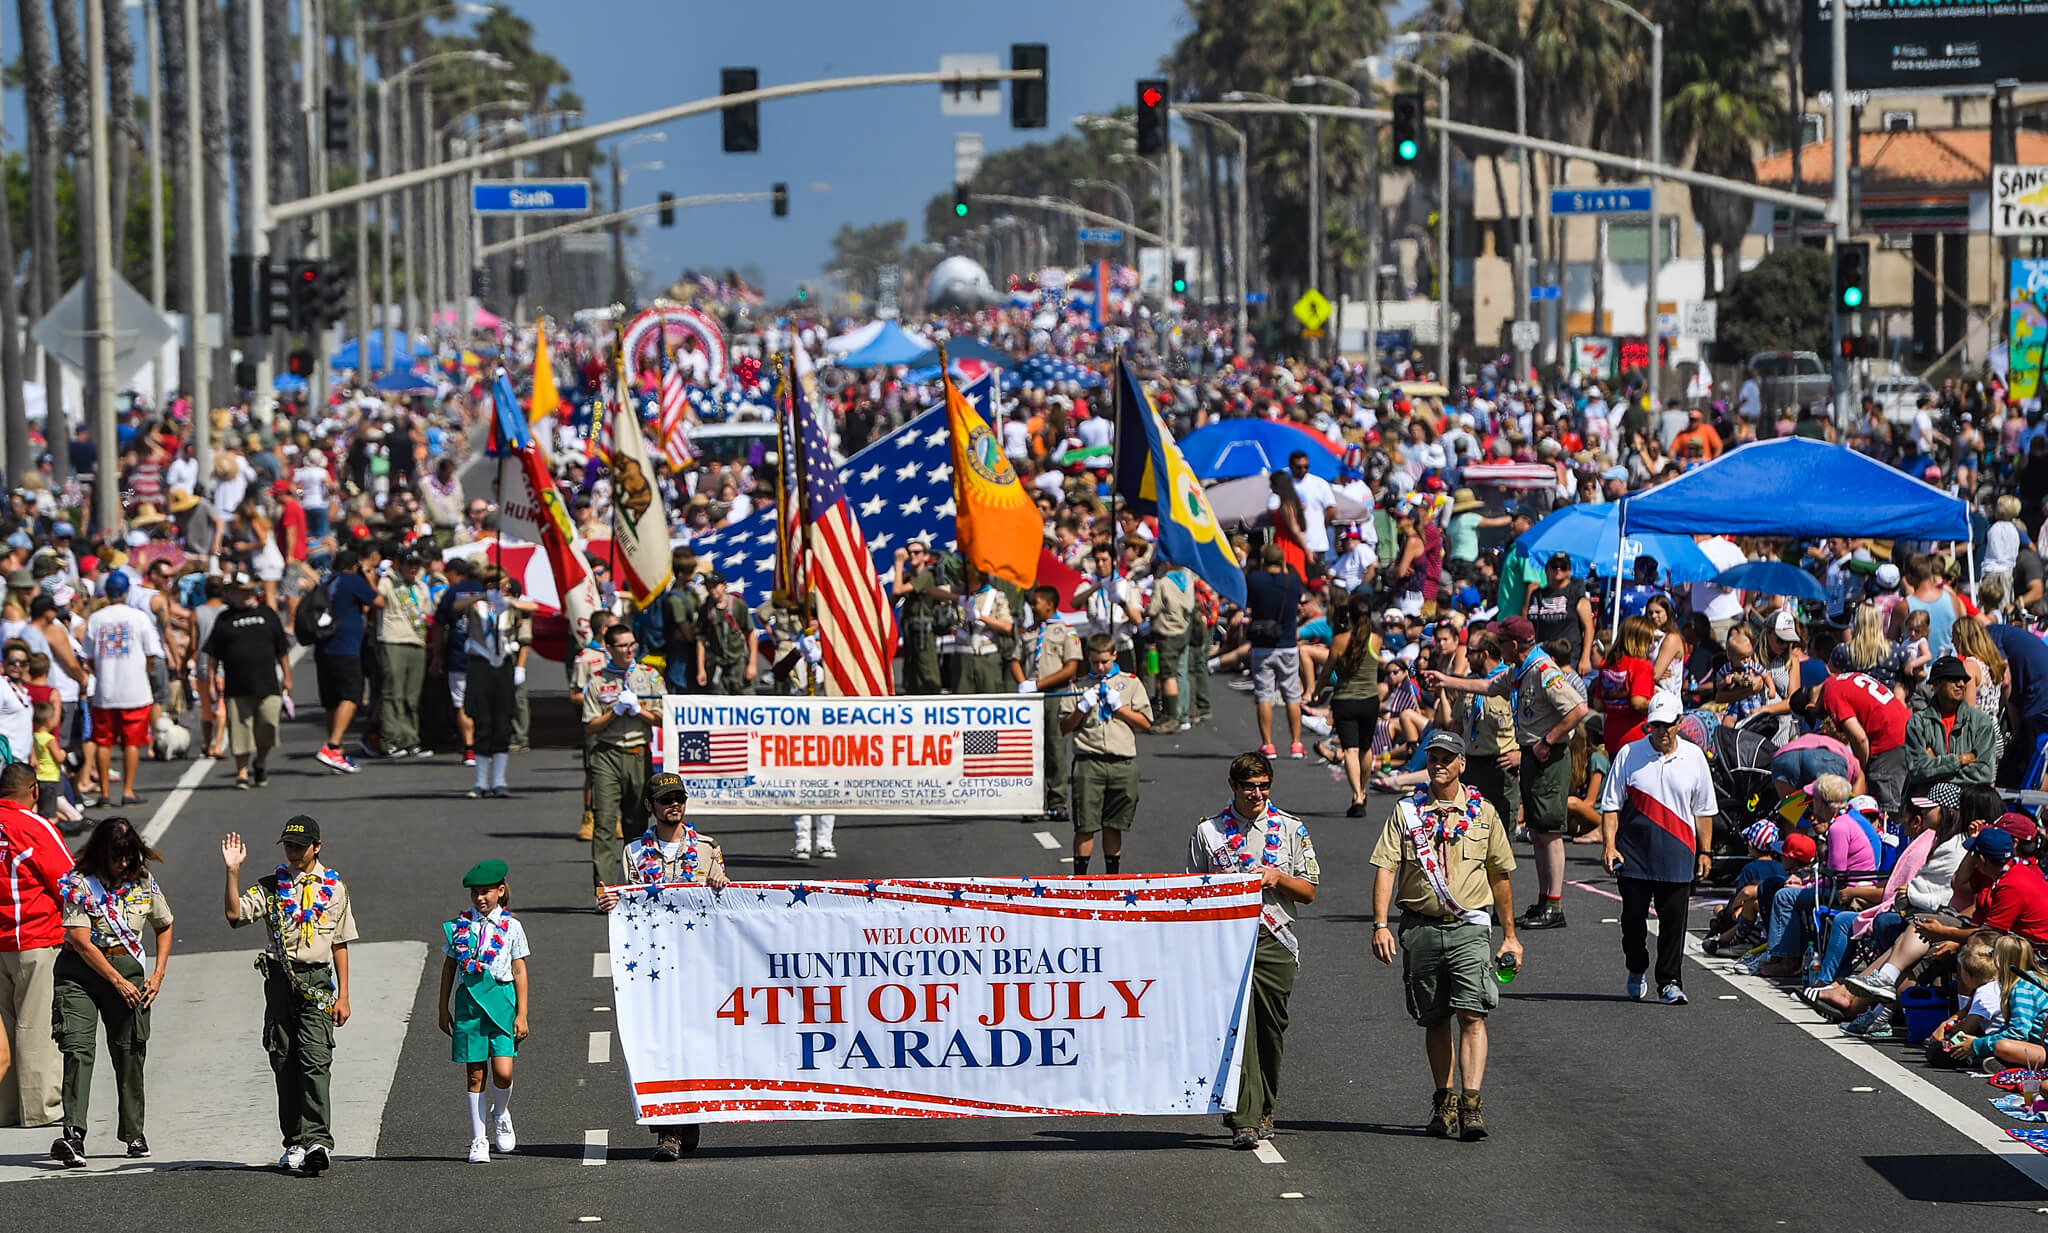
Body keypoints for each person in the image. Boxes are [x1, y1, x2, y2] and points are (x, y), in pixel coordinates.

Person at [1369, 730, 1523, 1141]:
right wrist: (1380, 924)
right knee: (1434, 1017)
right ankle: (1445, 1099)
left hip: (1469, 927)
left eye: (1446, 757)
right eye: (1433, 757)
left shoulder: (1484, 813)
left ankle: (1472, 1104)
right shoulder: (1406, 813)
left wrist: (1510, 936)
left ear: (1461, 764)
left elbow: (1500, 876)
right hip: (1420, 926)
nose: (1438, 763)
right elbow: (1386, 867)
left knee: (1472, 1013)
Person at [1187, 751, 1318, 1148]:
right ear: (1233, 787)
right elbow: (1193, 889)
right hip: (1227, 939)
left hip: (1274, 939)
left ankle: (1264, 1106)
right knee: (1236, 1027)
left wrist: (1277, 877)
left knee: (1270, 1027)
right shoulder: (1209, 832)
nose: (1257, 794)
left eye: (1263, 786)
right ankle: (1243, 1116)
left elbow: (1309, 890)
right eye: (1249, 787)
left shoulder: (1291, 829)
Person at [595, 772, 728, 1161]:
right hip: (653, 965)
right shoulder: (634, 852)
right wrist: (612, 903)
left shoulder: (706, 849)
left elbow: (725, 904)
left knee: (691, 1042)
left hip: (697, 965)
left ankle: (687, 1119)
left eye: (679, 799)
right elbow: (630, 904)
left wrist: (721, 879)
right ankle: (667, 1131)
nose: (675, 805)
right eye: (666, 799)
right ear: (650, 806)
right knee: (659, 1044)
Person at [1425, 616, 1588, 929]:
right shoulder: (1520, 671)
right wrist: (1446, 681)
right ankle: (1544, 901)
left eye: (1501, 642)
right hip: (1532, 752)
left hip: (1547, 754)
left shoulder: (1543, 669)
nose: (1497, 648)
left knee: (1549, 831)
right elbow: (1487, 686)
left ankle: (1554, 905)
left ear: (1514, 645)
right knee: (1538, 831)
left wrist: (1548, 740)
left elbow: (1578, 709)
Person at [222, 816, 357, 1175]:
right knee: (284, 1061)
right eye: (289, 846)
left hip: (316, 980)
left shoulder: (335, 887)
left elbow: (341, 942)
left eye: (300, 846)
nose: (294, 852)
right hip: (281, 980)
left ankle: (318, 1142)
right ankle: (294, 1140)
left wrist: (344, 996)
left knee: (315, 1060)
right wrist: (232, 872)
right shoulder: (270, 887)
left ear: (317, 847)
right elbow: (235, 916)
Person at [48, 814, 174, 1165]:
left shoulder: (142, 881)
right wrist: (116, 982)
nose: (123, 863)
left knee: (129, 1051)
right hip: (81, 975)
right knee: (76, 1048)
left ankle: (133, 1132)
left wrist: (158, 974)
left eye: (128, 856)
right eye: (116, 856)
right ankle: (73, 1134)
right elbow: (80, 941)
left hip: (128, 970)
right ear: (102, 853)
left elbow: (164, 925)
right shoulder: (79, 884)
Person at [1599, 694, 1716, 1005]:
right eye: (1655, 725)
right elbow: (1611, 806)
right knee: (1633, 919)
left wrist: (1705, 852)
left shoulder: (1694, 758)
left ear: (1679, 724)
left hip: (1678, 854)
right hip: (1634, 854)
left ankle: (1669, 982)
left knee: (1673, 923)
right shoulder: (1629, 754)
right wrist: (1609, 845)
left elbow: (1704, 810)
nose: (1661, 731)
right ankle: (1636, 967)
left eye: (1667, 725)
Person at [437, 859, 530, 1164]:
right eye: (475, 892)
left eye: (486, 891)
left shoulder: (512, 926)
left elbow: (519, 969)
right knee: (475, 1073)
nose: (480, 898)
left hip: (501, 999)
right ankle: (479, 1139)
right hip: (469, 1003)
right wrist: (442, 1007)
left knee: (503, 1072)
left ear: (500, 891)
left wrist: (522, 1013)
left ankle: (500, 1112)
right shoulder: (460, 928)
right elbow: (449, 967)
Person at [0, 762, 70, 1127]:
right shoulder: (33, 826)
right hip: (32, 935)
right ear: (34, 790)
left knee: (6, 1024)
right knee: (35, 1023)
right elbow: (65, 881)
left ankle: (7, 1108)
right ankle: (39, 1108)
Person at [1060, 633, 1152, 875]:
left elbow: (1145, 723)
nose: (1100, 667)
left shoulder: (1131, 683)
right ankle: (1081, 880)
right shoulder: (1078, 686)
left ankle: (1112, 878)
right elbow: (1064, 727)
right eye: (1094, 663)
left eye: (1105, 662)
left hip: (1122, 762)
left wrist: (1120, 708)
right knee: (1086, 825)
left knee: (1114, 824)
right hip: (1089, 761)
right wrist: (1081, 709)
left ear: (1114, 655)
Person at [583, 622, 664, 887]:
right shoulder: (598, 681)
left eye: (633, 644)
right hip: (608, 754)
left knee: (637, 823)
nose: (630, 650)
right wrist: (615, 712)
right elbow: (591, 725)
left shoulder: (650, 676)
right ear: (609, 648)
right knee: (605, 823)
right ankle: (604, 889)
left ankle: (635, 887)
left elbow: (664, 718)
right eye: (623, 646)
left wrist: (639, 711)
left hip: (639, 754)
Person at [203, 573, 293, 789]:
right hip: (237, 686)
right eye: (243, 592)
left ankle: (260, 762)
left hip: (267, 684)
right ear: (232, 594)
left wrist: (287, 676)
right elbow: (213, 655)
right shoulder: (224, 619)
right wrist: (212, 682)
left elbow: (282, 649)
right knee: (240, 733)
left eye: (251, 591)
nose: (248, 596)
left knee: (268, 729)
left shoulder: (267, 614)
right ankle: (241, 772)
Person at [85, 571, 164, 808]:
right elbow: (151, 653)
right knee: (132, 742)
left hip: (106, 691)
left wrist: (102, 673)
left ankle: (105, 794)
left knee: (104, 742)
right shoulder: (139, 617)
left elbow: (88, 657)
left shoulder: (96, 618)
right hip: (135, 691)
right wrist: (141, 672)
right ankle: (128, 791)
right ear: (127, 592)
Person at [463, 568, 535, 798]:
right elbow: (453, 608)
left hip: (503, 664)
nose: (499, 587)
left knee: (502, 720)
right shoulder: (475, 606)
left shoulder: (510, 605)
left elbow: (533, 608)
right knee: (482, 719)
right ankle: (481, 781)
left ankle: (499, 780)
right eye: (493, 584)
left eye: (502, 583)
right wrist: (484, 598)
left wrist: (509, 602)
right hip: (480, 664)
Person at [315, 549, 382, 774]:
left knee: (332, 701)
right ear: (354, 566)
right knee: (351, 696)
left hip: (323, 645)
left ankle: (337, 752)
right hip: (345, 647)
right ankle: (333, 746)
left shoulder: (326, 581)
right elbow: (378, 601)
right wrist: (370, 579)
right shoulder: (353, 580)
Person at [1019, 585, 1082, 822]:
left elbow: (1071, 667)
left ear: (1049, 604)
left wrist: (1040, 683)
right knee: (1031, 749)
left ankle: (1057, 801)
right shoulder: (1030, 631)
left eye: (1036, 603)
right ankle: (1034, 801)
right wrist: (1023, 683)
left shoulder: (1065, 631)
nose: (1033, 607)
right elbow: (1016, 659)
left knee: (1054, 747)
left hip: (1055, 694)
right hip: (1030, 695)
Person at [1245, 543, 1306, 758]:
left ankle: (1268, 744)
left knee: (1264, 694)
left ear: (1263, 561)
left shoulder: (1255, 580)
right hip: (1287, 643)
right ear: (1282, 561)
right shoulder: (1292, 581)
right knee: (1292, 695)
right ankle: (1296, 743)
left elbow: (1248, 599)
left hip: (1262, 645)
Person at [1905, 655, 1998, 795]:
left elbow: (1985, 773)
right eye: (1954, 679)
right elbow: (1917, 770)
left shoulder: (1981, 722)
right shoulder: (1918, 723)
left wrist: (1935, 768)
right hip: (1928, 801)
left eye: (1963, 680)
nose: (1961, 684)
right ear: (1935, 685)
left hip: (1967, 800)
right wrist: (1959, 760)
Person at [1327, 592, 1381, 816]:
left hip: (1345, 700)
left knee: (1350, 749)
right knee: (1366, 748)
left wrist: (1313, 690)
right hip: (1369, 700)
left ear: (1348, 614)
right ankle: (1362, 788)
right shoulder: (1375, 640)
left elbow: (1327, 671)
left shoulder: (1340, 640)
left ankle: (1357, 796)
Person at [377, 551, 434, 758]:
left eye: (417, 564)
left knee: (412, 696)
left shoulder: (422, 587)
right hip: (394, 640)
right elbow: (376, 596)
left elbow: (427, 614)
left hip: (416, 641)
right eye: (409, 563)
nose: (413, 567)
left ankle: (411, 740)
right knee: (393, 693)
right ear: (399, 564)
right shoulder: (389, 582)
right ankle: (390, 739)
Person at [1526, 554, 1597, 677]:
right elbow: (1531, 628)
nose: (1558, 569)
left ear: (1569, 571)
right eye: (1554, 566)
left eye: (1563, 566)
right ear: (1547, 569)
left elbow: (1588, 628)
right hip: (1544, 658)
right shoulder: (1538, 595)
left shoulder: (1576, 594)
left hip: (1570, 660)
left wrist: (1585, 658)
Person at [955, 562, 1014, 695]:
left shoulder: (995, 596)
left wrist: (980, 616)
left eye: (973, 580)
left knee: (991, 697)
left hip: (987, 656)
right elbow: (932, 591)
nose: (969, 584)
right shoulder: (961, 592)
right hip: (964, 657)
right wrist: (958, 599)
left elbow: (1007, 627)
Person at [696, 572, 756, 695]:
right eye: (708, 587)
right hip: (717, 664)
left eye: (715, 586)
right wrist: (701, 669)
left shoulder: (737, 606)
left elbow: (751, 634)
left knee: (746, 699)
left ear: (724, 585)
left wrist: (752, 664)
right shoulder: (705, 609)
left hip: (738, 663)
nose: (712, 590)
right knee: (718, 702)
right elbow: (701, 640)